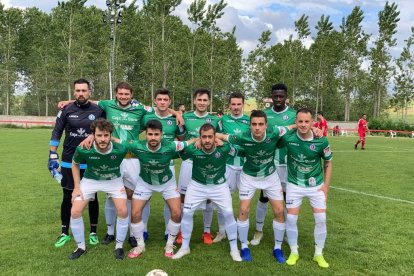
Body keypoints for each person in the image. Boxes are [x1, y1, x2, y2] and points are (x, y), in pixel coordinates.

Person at [65, 82, 183, 246]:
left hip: (133, 157)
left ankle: (140, 231)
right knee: (110, 194)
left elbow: (160, 107)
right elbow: (88, 99)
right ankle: (110, 232)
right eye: (120, 94)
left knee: (138, 195)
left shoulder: (140, 108)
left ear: (131, 95)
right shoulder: (108, 104)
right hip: (114, 155)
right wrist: (68, 102)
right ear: (116, 94)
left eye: (126, 94)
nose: (123, 96)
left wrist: (176, 113)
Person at [110, 120, 194, 259]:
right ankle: (140, 245)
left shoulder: (171, 145)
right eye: (150, 134)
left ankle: (170, 244)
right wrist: (92, 136)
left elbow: (189, 142)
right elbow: (116, 139)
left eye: (156, 134)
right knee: (135, 213)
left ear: (161, 135)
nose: (153, 137)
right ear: (146, 135)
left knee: (177, 212)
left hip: (167, 182)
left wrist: (198, 140)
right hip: (145, 182)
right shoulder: (137, 145)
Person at [217, 110, 292, 263]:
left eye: (260, 124)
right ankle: (244, 246)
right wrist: (205, 138)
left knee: (279, 210)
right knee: (244, 210)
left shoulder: (274, 132)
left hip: (270, 176)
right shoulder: (243, 136)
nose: (257, 128)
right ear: (249, 125)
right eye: (254, 124)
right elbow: (223, 136)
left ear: (266, 125)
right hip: (249, 176)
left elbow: (293, 127)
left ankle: (277, 248)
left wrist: (313, 129)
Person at [172, 123, 242, 262]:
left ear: (215, 137)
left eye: (210, 136)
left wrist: (222, 140)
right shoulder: (194, 149)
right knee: (187, 213)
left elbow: (237, 146)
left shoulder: (224, 148)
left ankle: (234, 249)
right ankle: (185, 247)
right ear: (200, 138)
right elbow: (180, 150)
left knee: (228, 213)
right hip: (197, 186)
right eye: (204, 137)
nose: (207, 140)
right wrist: (193, 142)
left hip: (219, 186)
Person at [49, 78, 103, 248]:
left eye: (84, 90)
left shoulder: (99, 109)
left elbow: (105, 130)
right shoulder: (66, 109)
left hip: (91, 160)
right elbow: (57, 132)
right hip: (68, 160)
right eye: (78, 91)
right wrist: (52, 154)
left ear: (89, 92)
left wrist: (92, 136)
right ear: (74, 92)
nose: (81, 93)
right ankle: (64, 232)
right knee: (67, 196)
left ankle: (93, 232)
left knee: (92, 197)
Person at [69, 118, 129, 260]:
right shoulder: (84, 148)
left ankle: (119, 247)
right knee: (75, 211)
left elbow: (133, 147)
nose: (102, 139)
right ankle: (80, 247)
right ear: (93, 135)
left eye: (106, 135)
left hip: (113, 181)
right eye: (99, 135)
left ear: (110, 136)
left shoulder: (121, 148)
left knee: (123, 210)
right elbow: (75, 163)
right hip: (91, 180)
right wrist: (76, 187)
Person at [280, 108, 332, 268]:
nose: (303, 124)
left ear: (312, 123)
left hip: (315, 186)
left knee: (321, 219)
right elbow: (272, 140)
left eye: (306, 121)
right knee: (291, 218)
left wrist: (326, 187)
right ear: (295, 122)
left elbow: (328, 162)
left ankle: (318, 254)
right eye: (300, 121)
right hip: (294, 185)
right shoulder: (288, 138)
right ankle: (294, 251)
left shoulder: (321, 141)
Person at [251, 83, 296, 246]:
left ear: (286, 97)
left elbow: (304, 129)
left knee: (286, 198)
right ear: (271, 96)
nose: (278, 99)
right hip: (269, 163)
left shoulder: (293, 114)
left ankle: (285, 232)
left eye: (281, 96)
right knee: (264, 197)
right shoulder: (265, 115)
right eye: (275, 96)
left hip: (288, 162)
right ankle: (258, 230)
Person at [178, 88, 221, 245]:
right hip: (189, 162)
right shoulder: (186, 117)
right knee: (182, 197)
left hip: (207, 163)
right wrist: (194, 140)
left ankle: (207, 231)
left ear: (209, 102)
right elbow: (180, 137)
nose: (202, 103)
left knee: (208, 197)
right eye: (199, 100)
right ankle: (183, 232)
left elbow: (218, 139)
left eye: (205, 100)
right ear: (194, 101)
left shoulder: (215, 120)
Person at [142, 88, 186, 240]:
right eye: (159, 99)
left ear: (169, 101)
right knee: (144, 199)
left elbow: (181, 140)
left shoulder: (175, 120)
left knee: (170, 201)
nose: (162, 102)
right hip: (147, 164)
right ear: (155, 101)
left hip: (168, 165)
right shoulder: (146, 117)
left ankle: (169, 232)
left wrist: (177, 115)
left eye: (165, 100)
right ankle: (143, 230)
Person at [213, 92, 250, 243]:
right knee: (223, 200)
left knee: (245, 202)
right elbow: (214, 135)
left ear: (243, 104)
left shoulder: (249, 121)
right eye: (233, 104)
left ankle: (242, 233)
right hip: (227, 165)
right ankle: (222, 231)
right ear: (229, 105)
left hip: (245, 166)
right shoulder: (222, 121)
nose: (235, 107)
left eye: (238, 104)